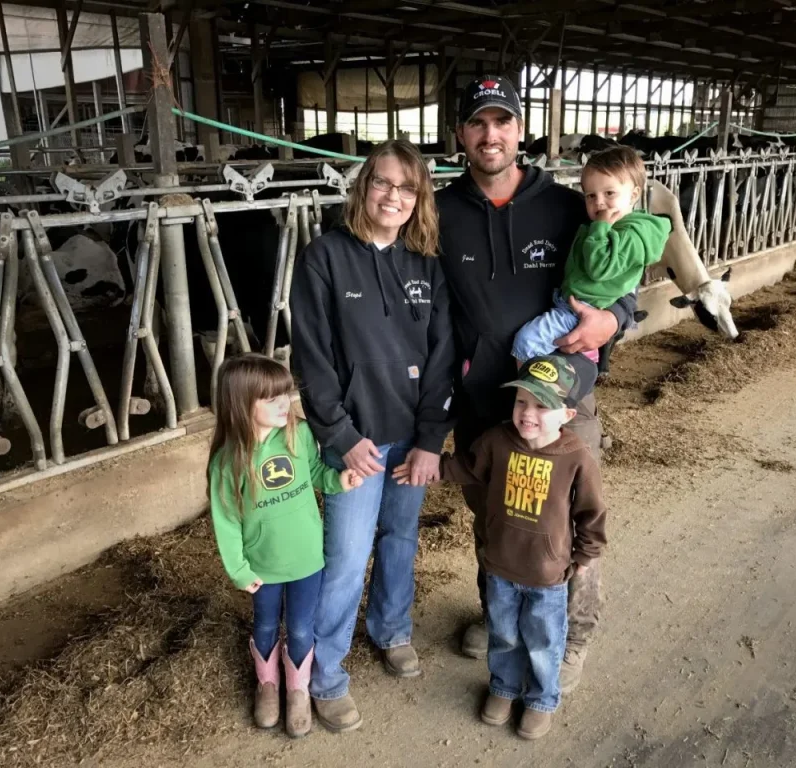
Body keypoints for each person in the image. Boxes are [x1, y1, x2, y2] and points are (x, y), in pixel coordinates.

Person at [436, 74, 638, 692]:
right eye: (477, 123)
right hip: (482, 400)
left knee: (568, 518)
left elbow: (617, 274)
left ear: (520, 131)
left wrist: (616, 318)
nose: (490, 134)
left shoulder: (563, 205)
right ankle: (505, 615)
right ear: (460, 136)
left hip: (559, 399)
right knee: (496, 512)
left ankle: (573, 636)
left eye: (502, 121)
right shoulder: (440, 211)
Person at [291, 139, 455, 733]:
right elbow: (312, 357)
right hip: (354, 441)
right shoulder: (324, 258)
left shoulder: (426, 263)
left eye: (407, 188)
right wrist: (339, 433)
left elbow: (442, 354)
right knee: (344, 557)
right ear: (364, 187)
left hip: (410, 437)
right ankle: (326, 671)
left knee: (400, 539)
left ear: (420, 198)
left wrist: (431, 438)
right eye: (383, 183)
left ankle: (391, 629)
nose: (394, 196)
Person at [393, 354, 607, 740]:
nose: (528, 413)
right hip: (500, 567)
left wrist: (586, 556)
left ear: (568, 415)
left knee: (544, 641)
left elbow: (591, 513)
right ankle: (504, 688)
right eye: (522, 401)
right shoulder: (497, 441)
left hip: (547, 575)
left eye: (543, 406)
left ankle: (542, 698)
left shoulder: (576, 458)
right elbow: (467, 468)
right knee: (504, 633)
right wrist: (432, 469)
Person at [207, 353, 362, 738]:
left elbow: (315, 474)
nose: (285, 404)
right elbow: (225, 520)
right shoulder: (229, 461)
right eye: (271, 399)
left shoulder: (298, 434)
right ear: (241, 404)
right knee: (263, 624)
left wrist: (339, 482)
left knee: (299, 627)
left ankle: (296, 690)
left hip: (307, 558)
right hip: (263, 565)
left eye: (285, 395)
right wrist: (238, 569)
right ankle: (268, 686)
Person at [511, 146, 671, 363]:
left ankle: (525, 393)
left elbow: (600, 268)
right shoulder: (617, 226)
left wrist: (599, 228)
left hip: (584, 309)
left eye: (609, 193)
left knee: (526, 342)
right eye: (590, 196)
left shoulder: (632, 234)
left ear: (634, 194)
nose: (599, 203)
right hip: (574, 301)